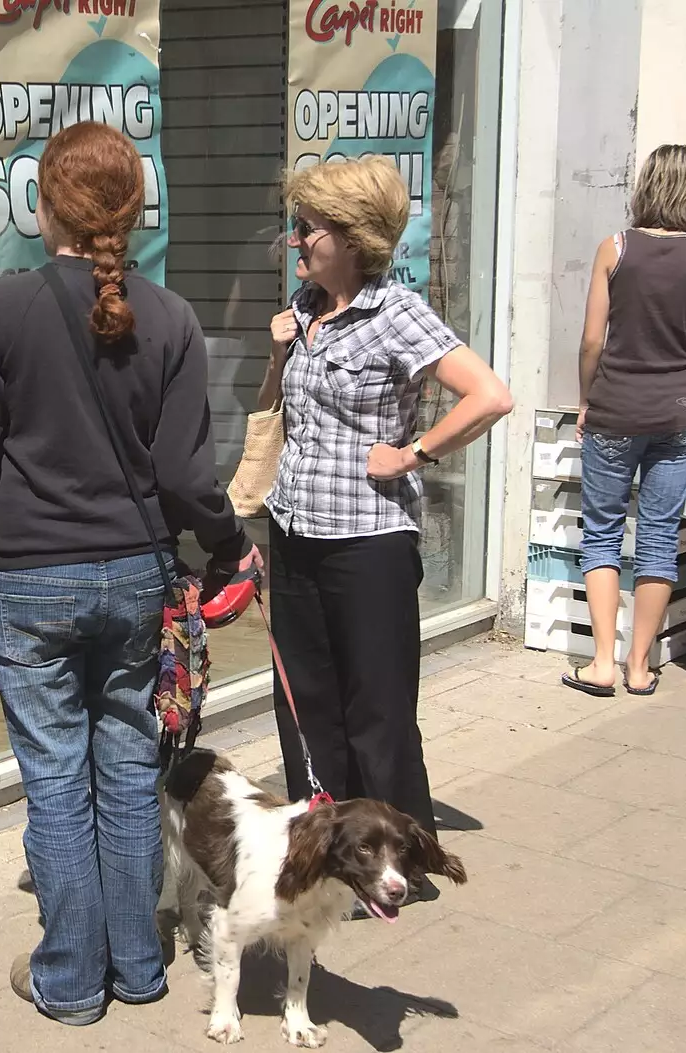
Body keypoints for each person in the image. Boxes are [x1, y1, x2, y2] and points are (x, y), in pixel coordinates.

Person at [0, 121, 260, 1026]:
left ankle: (71, 977)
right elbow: (192, 479)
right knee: (124, 773)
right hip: (135, 578)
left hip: (28, 575)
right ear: (135, 211)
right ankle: (139, 966)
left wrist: (12, 489)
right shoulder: (173, 318)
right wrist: (232, 546)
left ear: (42, 208)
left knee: (53, 777)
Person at [257, 156, 510, 909]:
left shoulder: (396, 310)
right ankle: (327, 859)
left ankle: (402, 861)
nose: (297, 238)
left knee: (378, 708)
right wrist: (277, 355)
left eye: (310, 227)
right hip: (295, 528)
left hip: (368, 541)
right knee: (304, 703)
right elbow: (276, 409)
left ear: (353, 236)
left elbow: (490, 395)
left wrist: (414, 451)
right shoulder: (304, 305)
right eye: (298, 224)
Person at [565, 144, 686, 696]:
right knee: (659, 537)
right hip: (677, 412)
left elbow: (591, 339)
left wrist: (586, 398)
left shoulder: (614, 248)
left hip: (615, 408)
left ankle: (602, 663)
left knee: (604, 533)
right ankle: (640, 666)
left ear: (646, 185)